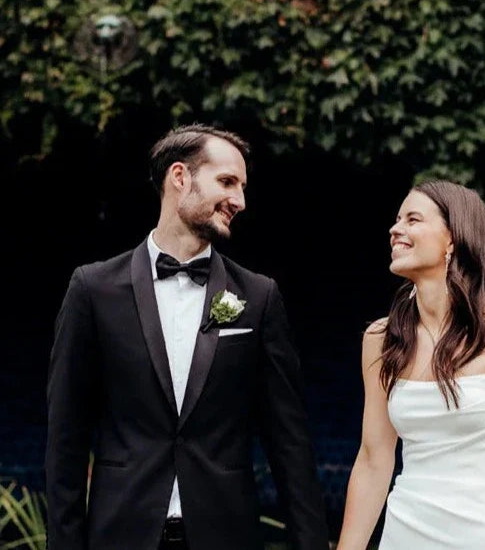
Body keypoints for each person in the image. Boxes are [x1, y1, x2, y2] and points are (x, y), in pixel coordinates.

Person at [45, 124, 329, 550]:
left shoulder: (258, 296)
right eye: (227, 182)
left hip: (226, 535)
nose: (240, 201)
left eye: (243, 186)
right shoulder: (93, 289)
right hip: (120, 535)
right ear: (180, 177)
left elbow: (288, 441)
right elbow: (66, 437)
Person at [337, 180, 485, 550]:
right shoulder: (380, 338)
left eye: (413, 219)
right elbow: (373, 459)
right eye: (397, 220)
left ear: (452, 240)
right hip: (407, 531)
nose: (395, 229)